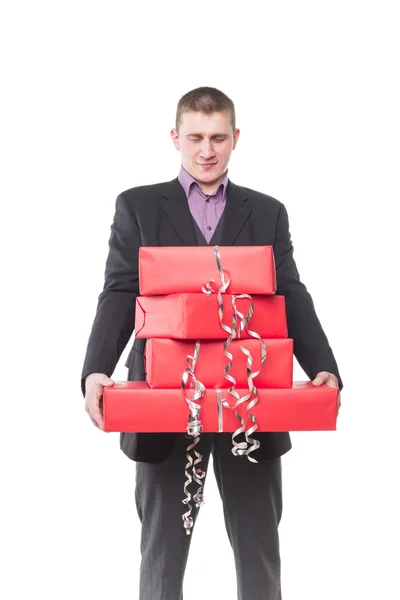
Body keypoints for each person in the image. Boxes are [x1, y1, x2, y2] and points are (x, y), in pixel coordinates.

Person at [81, 86, 343, 600]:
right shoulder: (136, 206)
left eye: (218, 137)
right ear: (175, 138)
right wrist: (94, 369)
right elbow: (118, 291)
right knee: (161, 553)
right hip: (163, 392)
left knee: (258, 549)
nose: (207, 149)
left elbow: (289, 291)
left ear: (235, 138)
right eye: (196, 137)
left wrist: (324, 366)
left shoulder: (267, 212)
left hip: (251, 391)